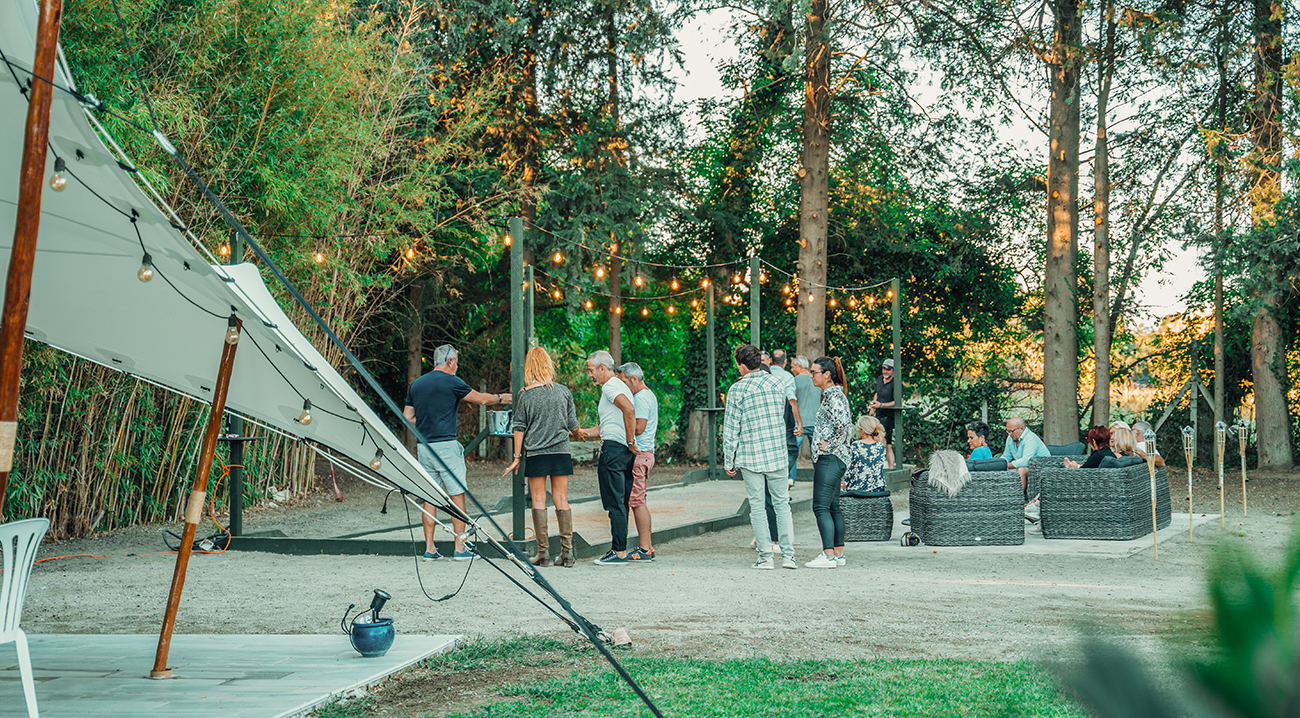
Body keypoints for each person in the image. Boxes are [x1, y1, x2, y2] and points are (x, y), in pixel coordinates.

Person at [404, 344, 511, 561]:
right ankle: (460, 549)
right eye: (457, 362)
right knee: (457, 495)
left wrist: (425, 427)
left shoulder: (417, 384)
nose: (457, 366)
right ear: (450, 361)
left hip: (424, 447)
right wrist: (501, 398)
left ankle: (430, 549)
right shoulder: (452, 381)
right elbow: (481, 399)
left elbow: (407, 417)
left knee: (429, 497)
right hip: (446, 446)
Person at [503, 347, 580, 568]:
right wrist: (581, 433)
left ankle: (543, 553)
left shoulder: (525, 394)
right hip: (561, 452)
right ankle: (567, 553)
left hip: (536, 453)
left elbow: (519, 427)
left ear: (530, 367)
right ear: (548, 365)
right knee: (561, 499)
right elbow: (572, 425)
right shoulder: (563, 391)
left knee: (538, 501)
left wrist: (517, 457)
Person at [722, 344, 797, 570]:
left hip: (751, 454)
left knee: (758, 506)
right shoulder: (777, 382)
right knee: (782, 504)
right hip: (777, 451)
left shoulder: (737, 389)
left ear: (743, 366)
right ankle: (789, 556)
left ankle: (766, 556)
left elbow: (731, 427)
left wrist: (729, 459)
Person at [573, 351, 638, 566]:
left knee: (614, 503)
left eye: (591, 370)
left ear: (602, 368)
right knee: (621, 503)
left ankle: (619, 552)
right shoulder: (622, 387)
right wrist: (581, 432)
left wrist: (630, 440)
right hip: (623, 452)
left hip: (614, 450)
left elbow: (628, 410)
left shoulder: (610, 386)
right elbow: (606, 426)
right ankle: (619, 549)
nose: (590, 375)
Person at [807, 356, 852, 569]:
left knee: (820, 506)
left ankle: (828, 555)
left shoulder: (833, 396)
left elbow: (842, 425)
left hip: (830, 458)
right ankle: (838, 553)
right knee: (833, 506)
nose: (811, 376)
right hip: (836, 458)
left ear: (827, 375)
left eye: (814, 372)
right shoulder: (834, 395)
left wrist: (830, 445)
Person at [617, 362, 658, 562]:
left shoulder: (641, 398)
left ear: (634, 379)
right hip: (646, 453)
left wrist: (619, 431)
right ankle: (646, 546)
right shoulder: (648, 395)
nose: (623, 386)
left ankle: (645, 548)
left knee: (637, 502)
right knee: (639, 500)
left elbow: (639, 427)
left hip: (639, 454)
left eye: (624, 381)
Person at [769, 349, 804, 487]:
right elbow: (791, 401)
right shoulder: (788, 377)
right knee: (791, 450)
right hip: (784, 422)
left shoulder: (765, 374)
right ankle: (783, 481)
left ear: (771, 361)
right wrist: (799, 423)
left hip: (767, 422)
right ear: (784, 362)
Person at [999, 416, 1051, 498]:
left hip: (1041, 469)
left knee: (1021, 470)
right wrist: (998, 464)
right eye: (1008, 431)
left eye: (1011, 431)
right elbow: (1006, 456)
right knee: (1000, 468)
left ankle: (1017, 500)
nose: (1009, 434)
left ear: (1022, 429)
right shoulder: (1010, 438)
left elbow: (1026, 461)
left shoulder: (1030, 439)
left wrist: (1006, 465)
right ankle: (1002, 497)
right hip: (1026, 467)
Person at [870, 359, 902, 469]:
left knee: (881, 441)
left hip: (888, 416)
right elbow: (877, 393)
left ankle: (880, 466)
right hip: (878, 414)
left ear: (893, 370)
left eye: (888, 369)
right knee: (887, 445)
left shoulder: (897, 383)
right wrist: (872, 408)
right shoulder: (880, 379)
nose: (885, 371)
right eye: (884, 368)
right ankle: (891, 468)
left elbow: (899, 401)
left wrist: (882, 405)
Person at [844, 415, 887, 493]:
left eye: (859, 428)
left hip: (859, 488)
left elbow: (850, 469)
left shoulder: (856, 445)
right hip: (878, 488)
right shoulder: (881, 447)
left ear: (863, 430)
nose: (857, 430)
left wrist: (844, 482)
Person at [793, 355, 821, 459]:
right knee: (817, 455)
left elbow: (792, 400)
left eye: (793, 367)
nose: (792, 370)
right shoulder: (817, 379)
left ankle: (790, 476)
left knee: (793, 453)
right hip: (815, 422)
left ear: (799, 366)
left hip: (799, 423)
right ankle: (819, 475)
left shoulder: (794, 380)